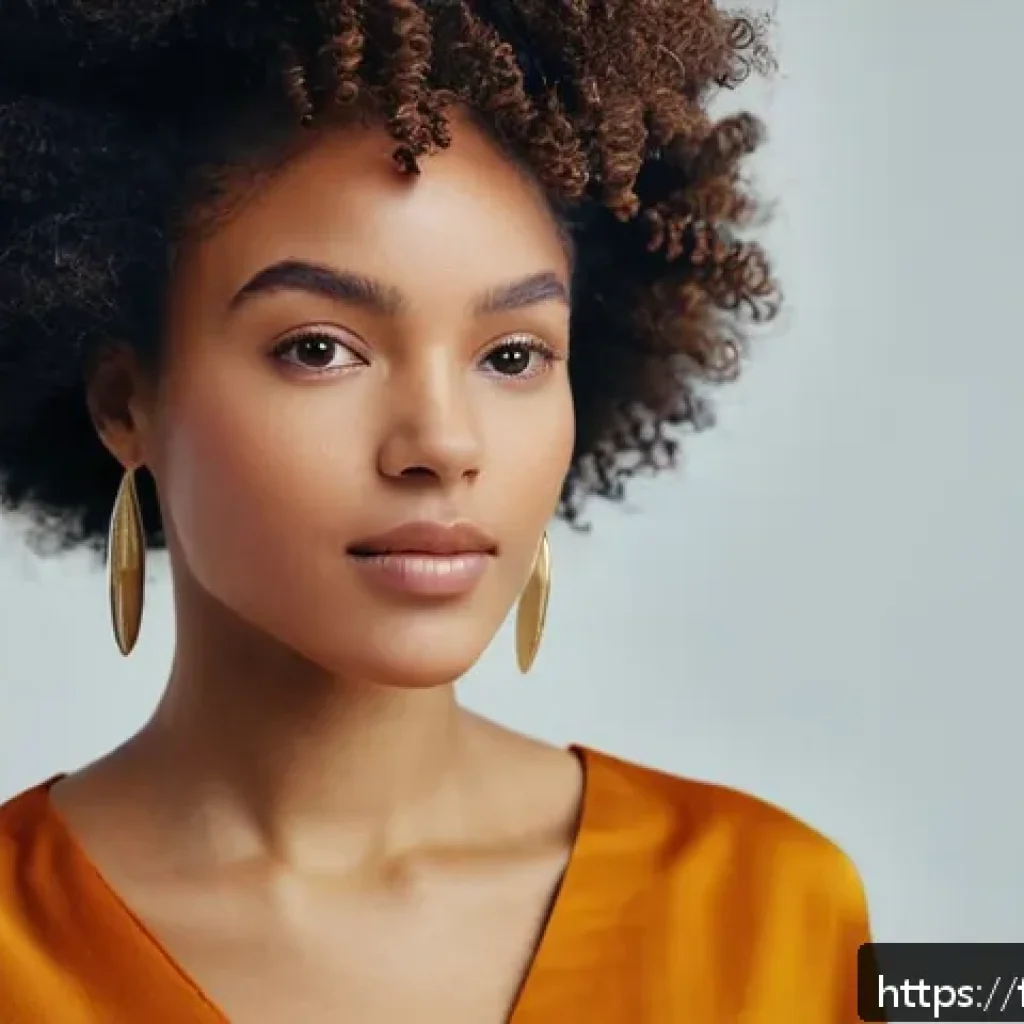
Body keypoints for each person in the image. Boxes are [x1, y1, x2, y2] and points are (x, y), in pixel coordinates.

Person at [0, 1, 871, 1021]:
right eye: (319, 347)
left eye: (511, 356)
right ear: (124, 402)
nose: (444, 445)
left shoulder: (765, 908)